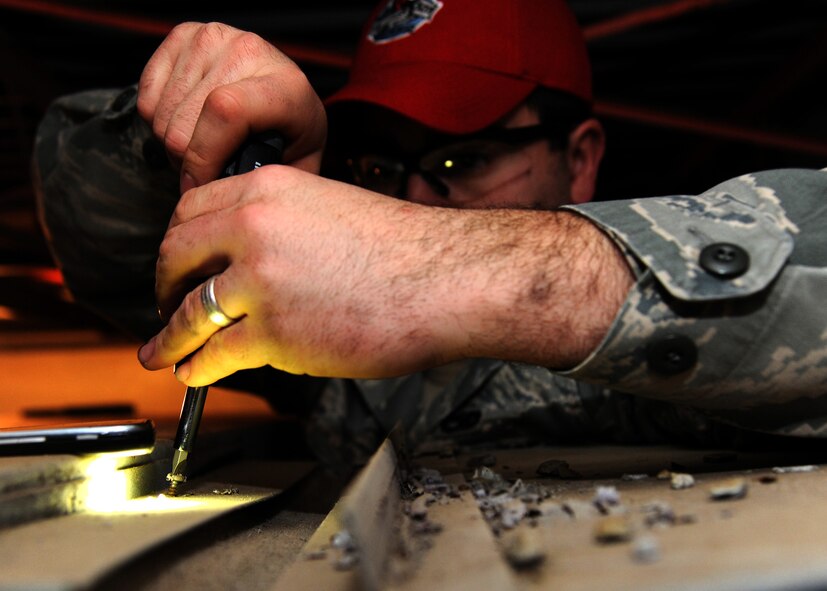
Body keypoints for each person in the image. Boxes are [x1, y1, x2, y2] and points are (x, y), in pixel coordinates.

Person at [33, 0, 827, 467]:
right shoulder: (328, 366)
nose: (410, 199)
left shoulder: (660, 371)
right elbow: (100, 233)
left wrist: (447, 271)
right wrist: (197, 139)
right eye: (379, 168)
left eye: (461, 156)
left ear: (578, 159)